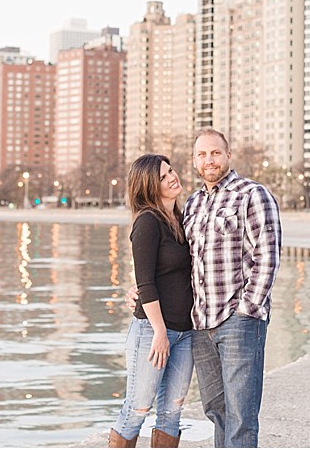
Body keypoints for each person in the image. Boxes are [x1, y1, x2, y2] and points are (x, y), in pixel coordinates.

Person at [127, 129, 282, 447]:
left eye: (215, 153)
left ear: (228, 155)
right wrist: (141, 288)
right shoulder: (193, 205)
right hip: (199, 326)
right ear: (195, 161)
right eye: (201, 154)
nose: (208, 160)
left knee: (241, 417)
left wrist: (247, 310)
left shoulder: (252, 194)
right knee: (216, 410)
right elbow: (176, 261)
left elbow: (268, 257)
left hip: (238, 322)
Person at [110, 155, 194, 448]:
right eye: (162, 176)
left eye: (171, 170)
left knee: (172, 412)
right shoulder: (147, 222)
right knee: (138, 408)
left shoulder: (183, 219)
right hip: (152, 331)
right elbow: (145, 282)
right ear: (148, 185)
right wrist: (159, 332)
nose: (172, 177)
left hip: (186, 333)